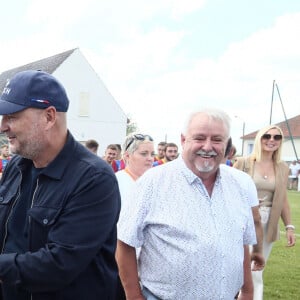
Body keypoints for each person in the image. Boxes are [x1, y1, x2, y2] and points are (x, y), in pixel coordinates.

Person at [0, 70, 121, 300]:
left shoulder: (94, 179)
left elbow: (59, 264)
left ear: (49, 117)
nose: (2, 126)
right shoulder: (16, 166)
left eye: (12, 116)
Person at [116, 108, 258, 300]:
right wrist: (133, 296)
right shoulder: (153, 183)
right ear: (184, 140)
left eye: (217, 140)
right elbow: (125, 242)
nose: (208, 147)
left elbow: (241, 244)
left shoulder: (239, 185)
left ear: (226, 144)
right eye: (199, 138)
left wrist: (248, 292)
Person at [233, 124, 296, 300]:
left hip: (268, 223)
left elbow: (283, 199)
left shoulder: (283, 167)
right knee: (240, 267)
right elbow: (228, 190)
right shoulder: (244, 162)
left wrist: (289, 226)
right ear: (259, 138)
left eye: (277, 137)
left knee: (256, 269)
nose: (271, 140)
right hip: (244, 221)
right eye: (267, 136)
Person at [115, 133, 155, 299]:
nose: (150, 159)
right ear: (127, 156)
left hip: (150, 269)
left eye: (152, 154)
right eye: (143, 154)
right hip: (121, 265)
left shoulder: (155, 183)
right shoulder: (115, 182)